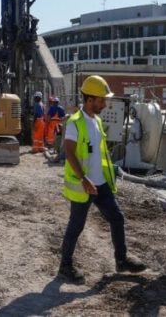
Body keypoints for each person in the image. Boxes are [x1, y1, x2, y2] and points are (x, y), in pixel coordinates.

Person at [58, 75, 146, 282]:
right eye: (101, 100)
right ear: (89, 100)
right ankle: (65, 266)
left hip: (100, 183)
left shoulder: (97, 121)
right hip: (84, 185)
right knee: (76, 226)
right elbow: (69, 152)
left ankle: (121, 261)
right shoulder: (75, 123)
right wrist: (84, 179)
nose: (105, 105)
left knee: (117, 217)